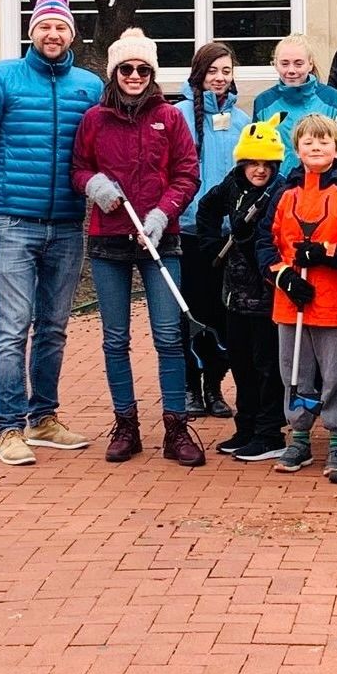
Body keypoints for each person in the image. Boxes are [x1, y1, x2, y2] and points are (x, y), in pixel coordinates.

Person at [0, 0, 103, 467]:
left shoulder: (89, 86)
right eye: (44, 26)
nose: (53, 33)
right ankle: (8, 427)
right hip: (14, 222)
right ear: (31, 31)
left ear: (71, 33)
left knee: (55, 328)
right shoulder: (2, 78)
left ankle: (43, 418)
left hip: (66, 224)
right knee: (12, 328)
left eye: (61, 26)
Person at [70, 28, 204, 467]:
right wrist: (95, 185)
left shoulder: (171, 117)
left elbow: (188, 173)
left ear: (152, 73)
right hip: (110, 239)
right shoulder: (95, 119)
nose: (134, 75)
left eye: (142, 68)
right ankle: (125, 424)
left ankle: (176, 427)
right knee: (115, 339)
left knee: (168, 335)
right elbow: (79, 167)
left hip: (160, 240)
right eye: (126, 68)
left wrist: (163, 213)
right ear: (114, 73)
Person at [258, 113, 337, 482]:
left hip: (335, 303)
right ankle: (300, 436)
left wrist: (324, 253)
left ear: (336, 150)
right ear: (297, 149)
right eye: (308, 142)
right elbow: (263, 243)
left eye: (324, 141)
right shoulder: (283, 194)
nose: (316, 147)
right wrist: (283, 276)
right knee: (294, 371)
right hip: (291, 304)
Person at [194, 115, 286, 462]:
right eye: (253, 163)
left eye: (266, 163)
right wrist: (210, 243)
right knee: (241, 363)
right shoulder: (232, 186)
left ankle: (269, 431)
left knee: (267, 365)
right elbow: (207, 208)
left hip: (267, 298)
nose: (259, 170)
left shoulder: (279, 193)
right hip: (234, 295)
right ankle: (245, 426)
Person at [178, 41, 241, 420]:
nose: (219, 78)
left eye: (226, 71)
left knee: (222, 314)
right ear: (199, 73)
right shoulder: (178, 115)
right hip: (186, 231)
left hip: (227, 236)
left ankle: (214, 386)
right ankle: (189, 386)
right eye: (212, 71)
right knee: (190, 312)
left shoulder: (242, 120)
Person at [251, 35, 337, 173]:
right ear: (275, 64)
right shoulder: (263, 102)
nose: (291, 70)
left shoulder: (331, 98)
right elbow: (256, 150)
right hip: (278, 187)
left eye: (298, 64)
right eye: (284, 64)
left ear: (310, 64)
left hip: (323, 183)